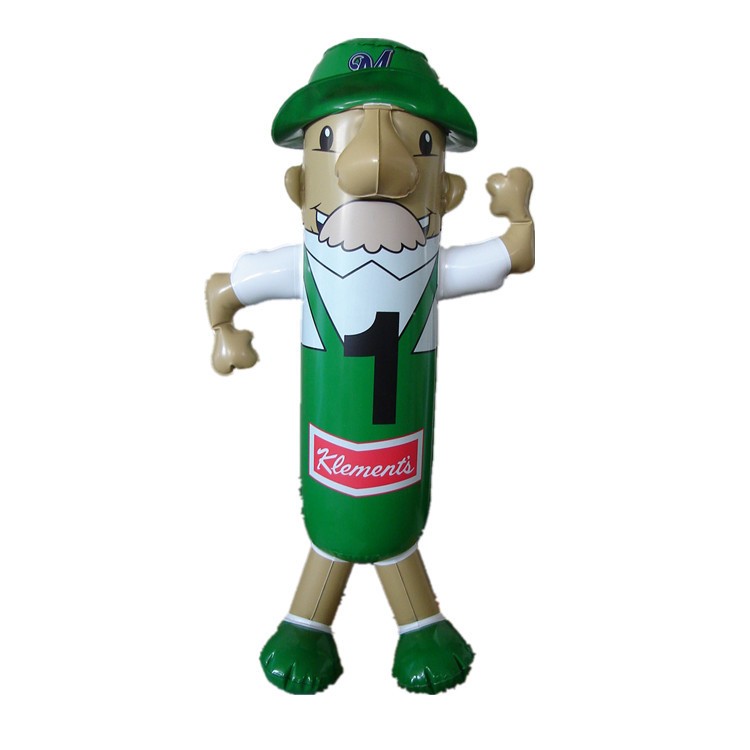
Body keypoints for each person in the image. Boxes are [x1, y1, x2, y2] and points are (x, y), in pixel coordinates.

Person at [206, 38, 534, 694]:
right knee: (336, 520)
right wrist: (225, 332)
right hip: (332, 451)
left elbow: (513, 255)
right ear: (300, 185)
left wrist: (519, 212)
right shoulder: (303, 267)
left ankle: (399, 623)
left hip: (398, 453)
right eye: (333, 139)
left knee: (390, 522)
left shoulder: (431, 270)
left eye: (419, 144)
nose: (374, 167)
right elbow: (225, 287)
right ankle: (325, 621)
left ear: (448, 190)